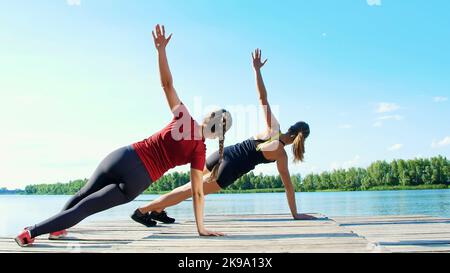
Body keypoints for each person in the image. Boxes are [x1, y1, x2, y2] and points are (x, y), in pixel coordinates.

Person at [15, 24, 232, 247]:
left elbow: (167, 84)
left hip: (123, 157)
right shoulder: (199, 150)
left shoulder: (184, 117)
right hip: (138, 178)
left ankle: (57, 229)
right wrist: (201, 228)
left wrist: (161, 51)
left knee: (82, 194)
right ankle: (32, 232)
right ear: (219, 135)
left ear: (208, 115)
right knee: (86, 207)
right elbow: (197, 193)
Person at [131, 49, 315, 227]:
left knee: (187, 187)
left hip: (222, 154)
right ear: (301, 140)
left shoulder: (273, 128)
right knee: (189, 191)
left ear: (291, 127)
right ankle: (143, 210)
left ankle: (157, 210)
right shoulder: (281, 155)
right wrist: (295, 214)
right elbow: (288, 187)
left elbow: (263, 98)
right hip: (229, 169)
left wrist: (257, 70)